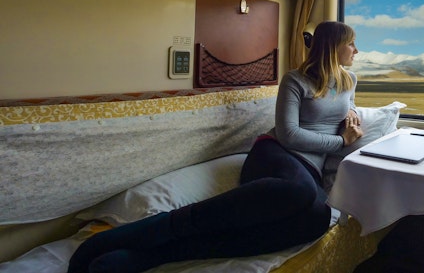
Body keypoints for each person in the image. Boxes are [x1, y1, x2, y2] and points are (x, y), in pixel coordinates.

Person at [68, 21, 364, 273]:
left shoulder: (349, 80)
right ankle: (143, 232)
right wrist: (340, 141)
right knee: (300, 193)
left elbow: (349, 111)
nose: (356, 51)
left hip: (309, 169)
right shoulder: (295, 80)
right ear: (333, 46)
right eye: (351, 44)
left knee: (317, 219)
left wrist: (353, 121)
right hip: (276, 154)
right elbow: (288, 134)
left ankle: (147, 257)